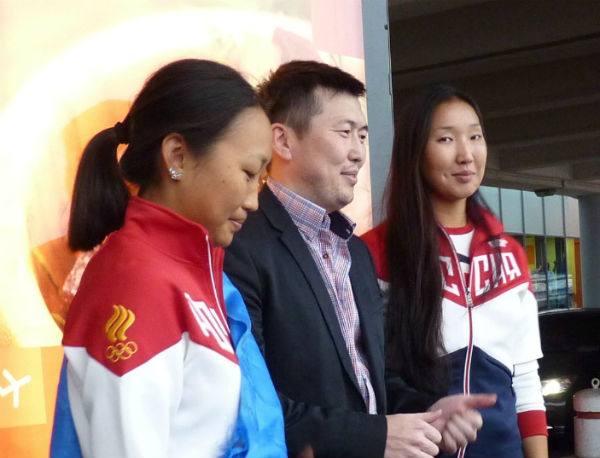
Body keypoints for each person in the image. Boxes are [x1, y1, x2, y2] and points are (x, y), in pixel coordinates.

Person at [224, 60, 496, 458]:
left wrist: (431, 412)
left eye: (363, 135)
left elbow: (375, 380)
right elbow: (247, 403)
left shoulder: (354, 250)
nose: (358, 153)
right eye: (345, 132)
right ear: (282, 141)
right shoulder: (240, 244)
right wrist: (376, 437)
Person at [58, 58, 286, 458]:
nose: (254, 200)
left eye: (262, 179)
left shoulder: (194, 270)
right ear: (177, 157)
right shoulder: (134, 280)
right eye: (249, 173)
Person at [361, 84, 548, 458]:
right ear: (415, 151)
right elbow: (367, 375)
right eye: (446, 139)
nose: (466, 154)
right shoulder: (374, 252)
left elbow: (526, 381)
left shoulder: (509, 254)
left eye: (475, 137)